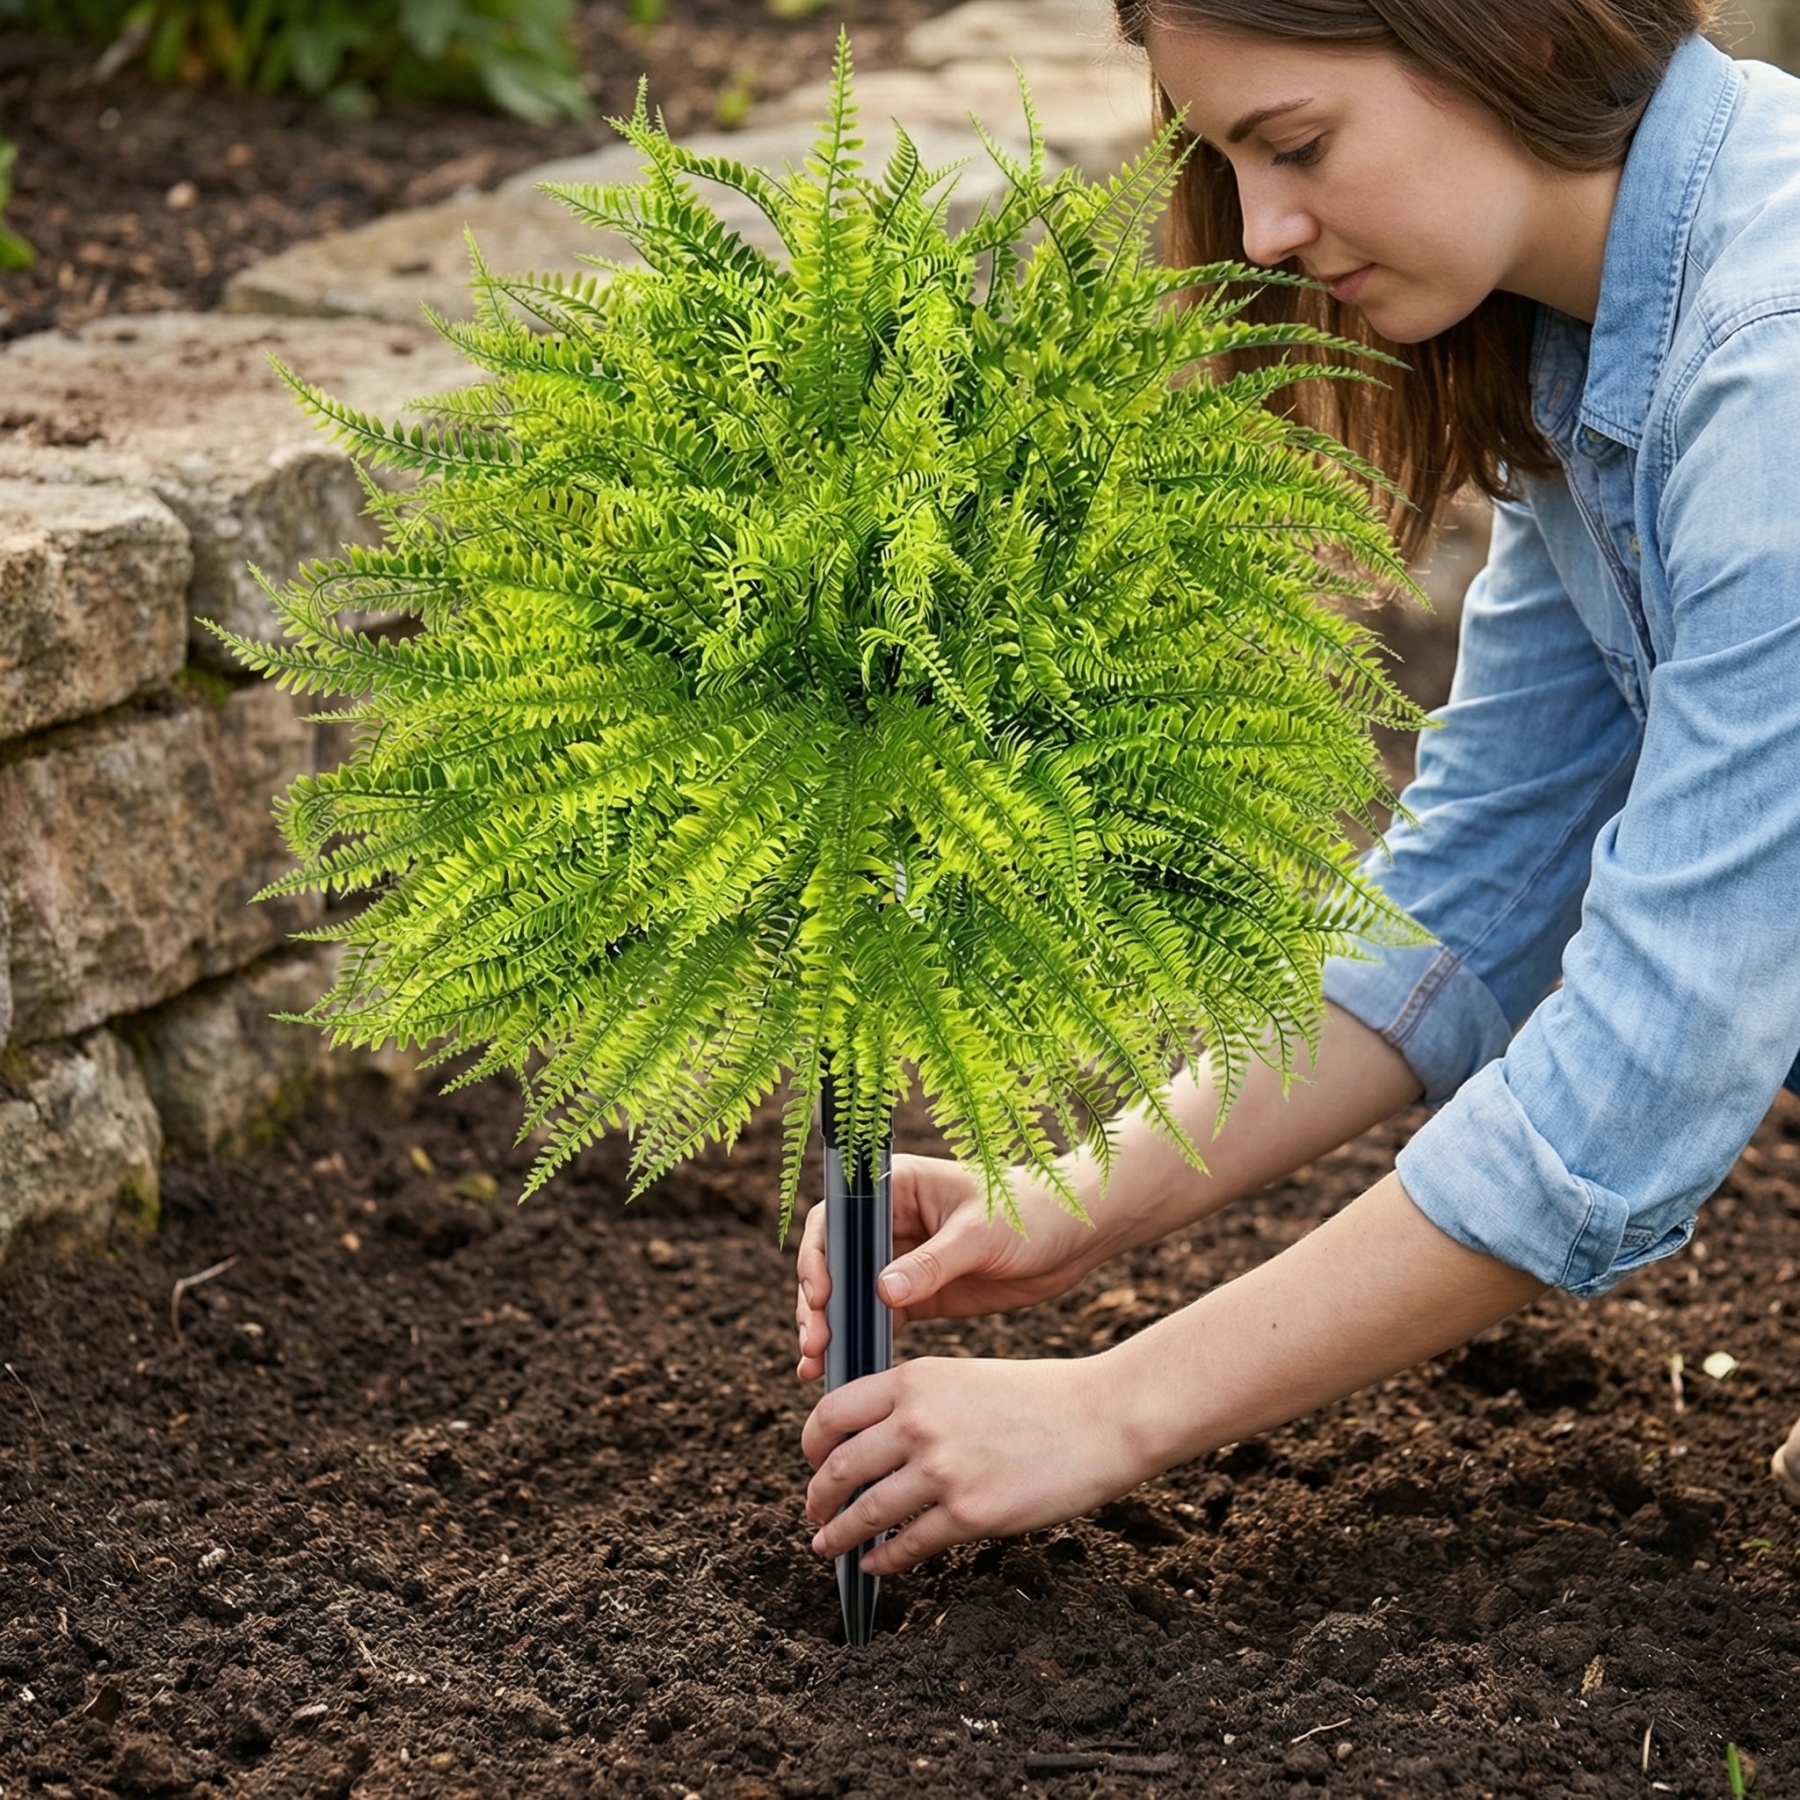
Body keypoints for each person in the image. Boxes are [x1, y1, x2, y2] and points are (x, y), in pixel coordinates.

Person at [795, 0, 1800, 1575]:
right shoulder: (1599, 334)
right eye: (1223, 157)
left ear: (1500, 36)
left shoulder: (1773, 376)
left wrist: (1112, 1412)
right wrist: (1079, 1196)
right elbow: (1476, 883)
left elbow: (1648, 1064)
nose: (1262, 230)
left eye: (1298, 142)